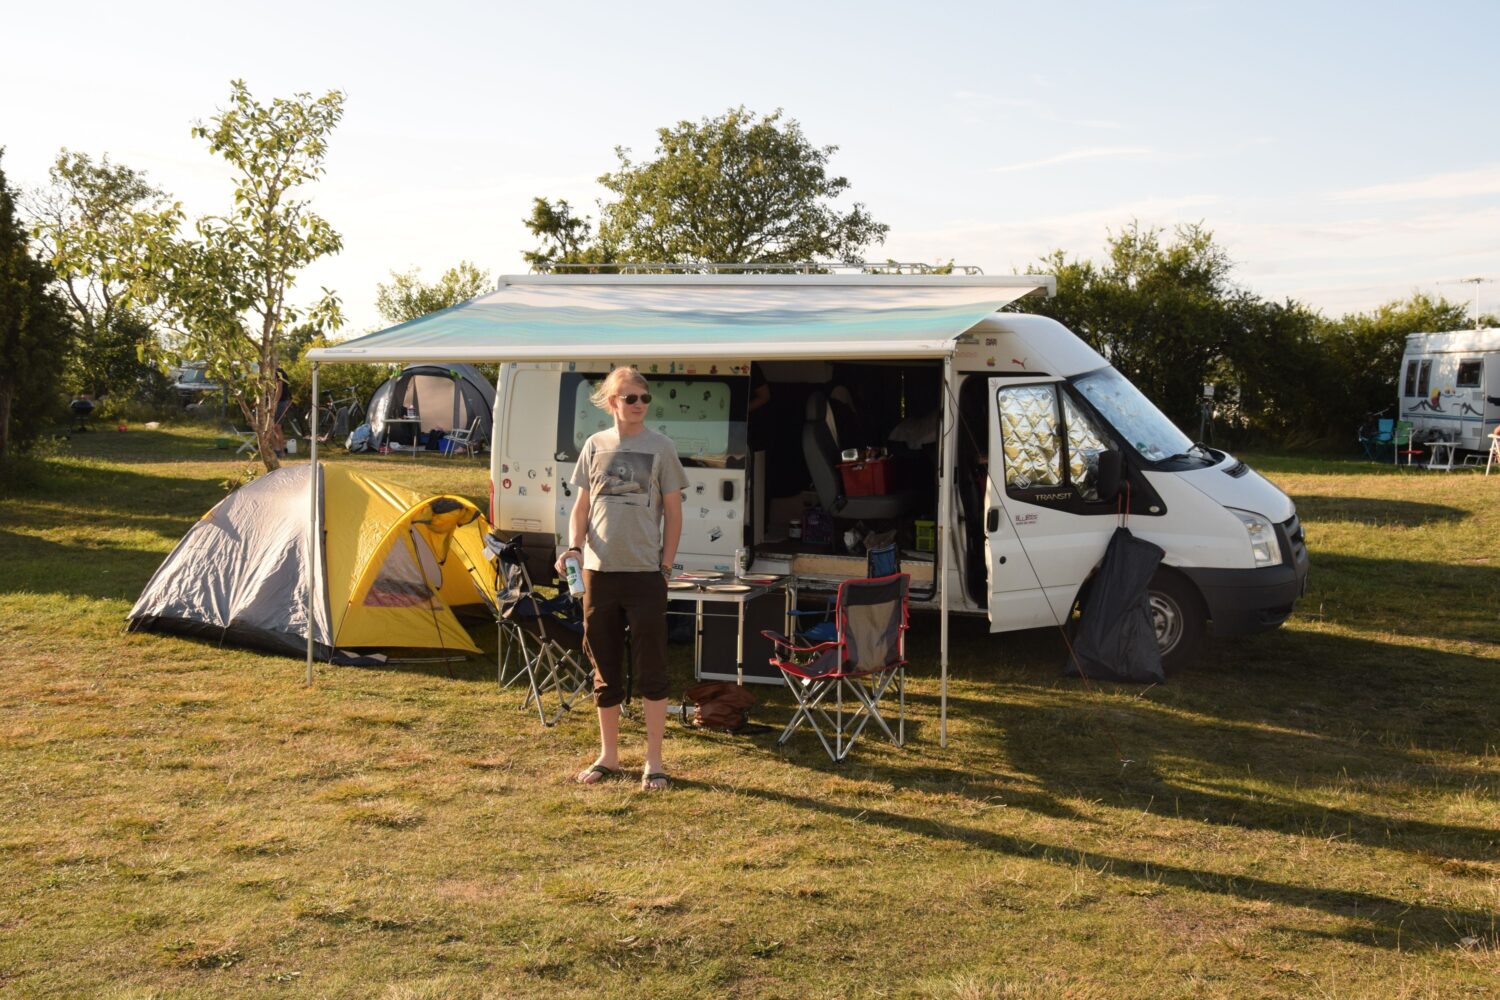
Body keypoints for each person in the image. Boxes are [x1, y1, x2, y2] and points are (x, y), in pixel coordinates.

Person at [556, 367, 687, 791]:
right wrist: (574, 547)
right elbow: (581, 506)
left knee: (653, 668)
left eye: (645, 398)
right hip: (598, 573)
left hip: (646, 574)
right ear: (612, 402)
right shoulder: (595, 445)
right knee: (604, 667)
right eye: (631, 398)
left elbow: (674, 513)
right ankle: (608, 756)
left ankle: (654, 761)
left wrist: (665, 567)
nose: (640, 404)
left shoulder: (661, 447)